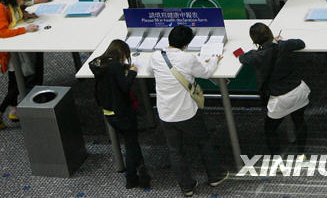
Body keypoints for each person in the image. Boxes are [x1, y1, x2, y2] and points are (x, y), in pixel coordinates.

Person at [148, 25, 228, 197]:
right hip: (186, 112)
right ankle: (215, 176)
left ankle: (187, 187)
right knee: (203, 140)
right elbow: (206, 73)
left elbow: (151, 71)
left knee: (175, 150)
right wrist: (214, 59)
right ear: (186, 44)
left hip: (166, 113)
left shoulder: (155, 56)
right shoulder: (188, 59)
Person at [238, 23, 310, 157]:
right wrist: (281, 41)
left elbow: (242, 58)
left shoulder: (257, 56)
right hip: (298, 91)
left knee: (270, 130)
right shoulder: (284, 46)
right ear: (271, 34)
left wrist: (254, 50)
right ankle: (301, 154)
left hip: (280, 99)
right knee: (299, 121)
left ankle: (276, 160)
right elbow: (301, 43)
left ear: (254, 41)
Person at [88, 40, 151, 190]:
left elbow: (108, 70)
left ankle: (142, 173)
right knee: (131, 145)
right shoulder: (115, 67)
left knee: (132, 142)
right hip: (122, 112)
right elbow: (125, 86)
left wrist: (122, 68)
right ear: (122, 54)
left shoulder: (98, 63)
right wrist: (133, 72)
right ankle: (131, 178)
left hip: (109, 112)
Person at [0, 0, 39, 129]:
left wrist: (25, 16)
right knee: (20, 82)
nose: (24, 3)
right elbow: (3, 32)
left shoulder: (14, 3)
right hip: (10, 50)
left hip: (17, 45)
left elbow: (17, 14)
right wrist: (25, 29)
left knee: (13, 81)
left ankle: (13, 110)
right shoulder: (1, 8)